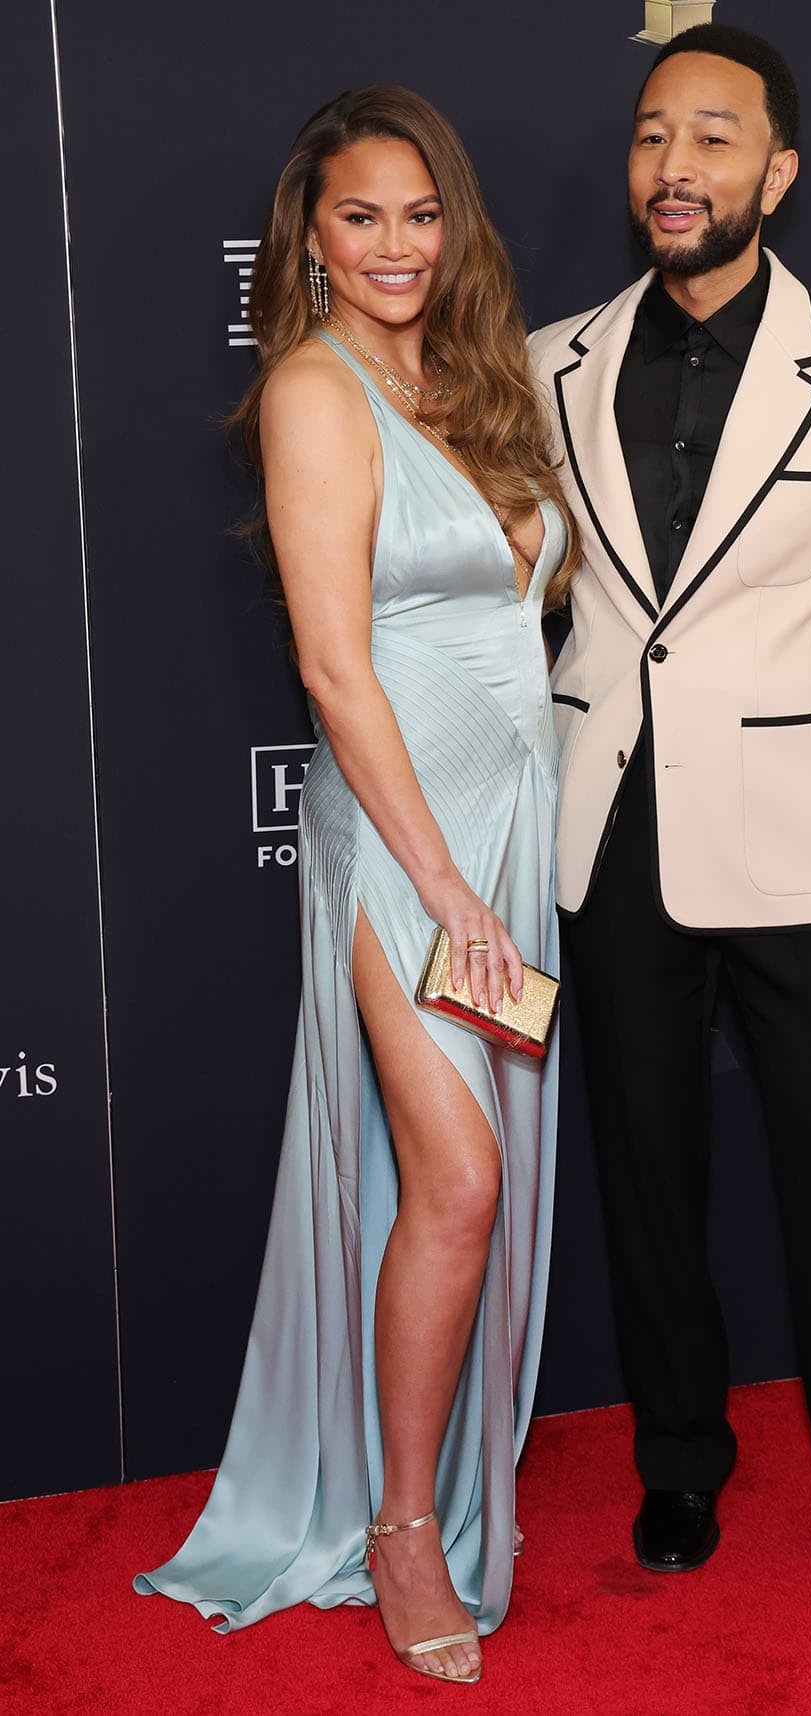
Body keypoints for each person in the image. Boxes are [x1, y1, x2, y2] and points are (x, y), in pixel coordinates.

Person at [136, 85, 577, 1684]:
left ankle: (439, 1491)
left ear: (452, 224)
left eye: (420, 212)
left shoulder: (474, 376)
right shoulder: (317, 394)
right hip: (409, 839)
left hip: (507, 825)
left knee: (461, 1188)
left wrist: (510, 858)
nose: (396, 244)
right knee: (457, 1180)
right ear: (309, 242)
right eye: (358, 217)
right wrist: (447, 883)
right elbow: (333, 666)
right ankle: (402, 1526)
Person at [529, 25, 811, 1627]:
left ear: (776, 171)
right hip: (613, 829)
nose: (675, 168)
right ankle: (680, 1465)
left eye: (712, 139)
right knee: (647, 1173)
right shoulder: (552, 358)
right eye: (652, 138)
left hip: (800, 836)